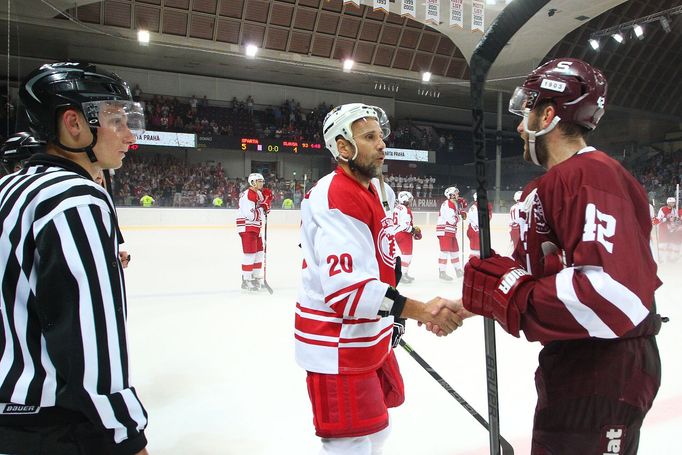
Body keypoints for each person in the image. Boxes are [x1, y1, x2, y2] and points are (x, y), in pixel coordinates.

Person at [457, 58, 663, 454]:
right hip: (574, 368)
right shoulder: (555, 183)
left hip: (603, 374)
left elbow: (610, 296)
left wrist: (510, 295)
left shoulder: (592, 177)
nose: (520, 126)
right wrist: (472, 303)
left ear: (549, 115)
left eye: (528, 112)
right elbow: (533, 276)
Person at [296, 103, 464, 455]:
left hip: (367, 334)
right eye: (370, 137)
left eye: (381, 136)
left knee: (378, 431)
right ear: (343, 147)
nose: (382, 144)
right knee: (351, 444)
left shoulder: (374, 190)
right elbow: (349, 291)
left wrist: (392, 318)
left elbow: (380, 266)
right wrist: (418, 311)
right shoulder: (336, 196)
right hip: (337, 344)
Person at [0, 62, 148, 454]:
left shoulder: (9, 187)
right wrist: (127, 435)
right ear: (74, 123)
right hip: (55, 427)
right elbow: (91, 345)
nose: (129, 135)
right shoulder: (75, 198)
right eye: (117, 120)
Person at [236, 173, 272, 291]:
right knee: (250, 254)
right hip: (247, 227)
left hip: (255, 227)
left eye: (262, 181)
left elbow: (263, 205)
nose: (262, 183)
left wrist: (266, 202)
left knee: (259, 252)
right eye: (259, 181)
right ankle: (246, 280)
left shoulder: (258, 193)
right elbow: (250, 215)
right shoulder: (248, 195)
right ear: (252, 182)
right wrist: (263, 208)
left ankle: (256, 277)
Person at [436, 186, 467, 280]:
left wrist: (460, 211)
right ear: (451, 195)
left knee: (455, 251)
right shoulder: (448, 204)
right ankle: (442, 272)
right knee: (444, 251)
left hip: (450, 231)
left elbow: (454, 217)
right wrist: (460, 216)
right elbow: (451, 220)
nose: (458, 195)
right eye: (456, 193)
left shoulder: (453, 203)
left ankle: (458, 270)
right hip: (445, 230)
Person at [393, 191, 422, 283]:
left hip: (396, 233)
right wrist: (414, 230)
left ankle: (404, 274)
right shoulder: (406, 209)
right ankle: (402, 275)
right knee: (407, 256)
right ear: (405, 199)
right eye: (409, 199)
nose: (410, 201)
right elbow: (405, 226)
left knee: (403, 255)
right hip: (403, 234)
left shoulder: (397, 208)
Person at [653, 196, 681, 263]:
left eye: (673, 203)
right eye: (671, 202)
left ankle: (669, 258)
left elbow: (676, 218)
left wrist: (676, 221)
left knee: (670, 244)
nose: (672, 204)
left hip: (670, 229)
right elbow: (659, 219)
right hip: (663, 228)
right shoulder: (663, 209)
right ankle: (661, 258)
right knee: (663, 244)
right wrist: (665, 219)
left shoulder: (674, 210)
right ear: (668, 203)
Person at [466, 192, 492, 260]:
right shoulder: (475, 208)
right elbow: (479, 222)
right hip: (475, 231)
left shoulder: (479, 207)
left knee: (478, 250)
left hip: (476, 231)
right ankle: (472, 265)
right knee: (476, 251)